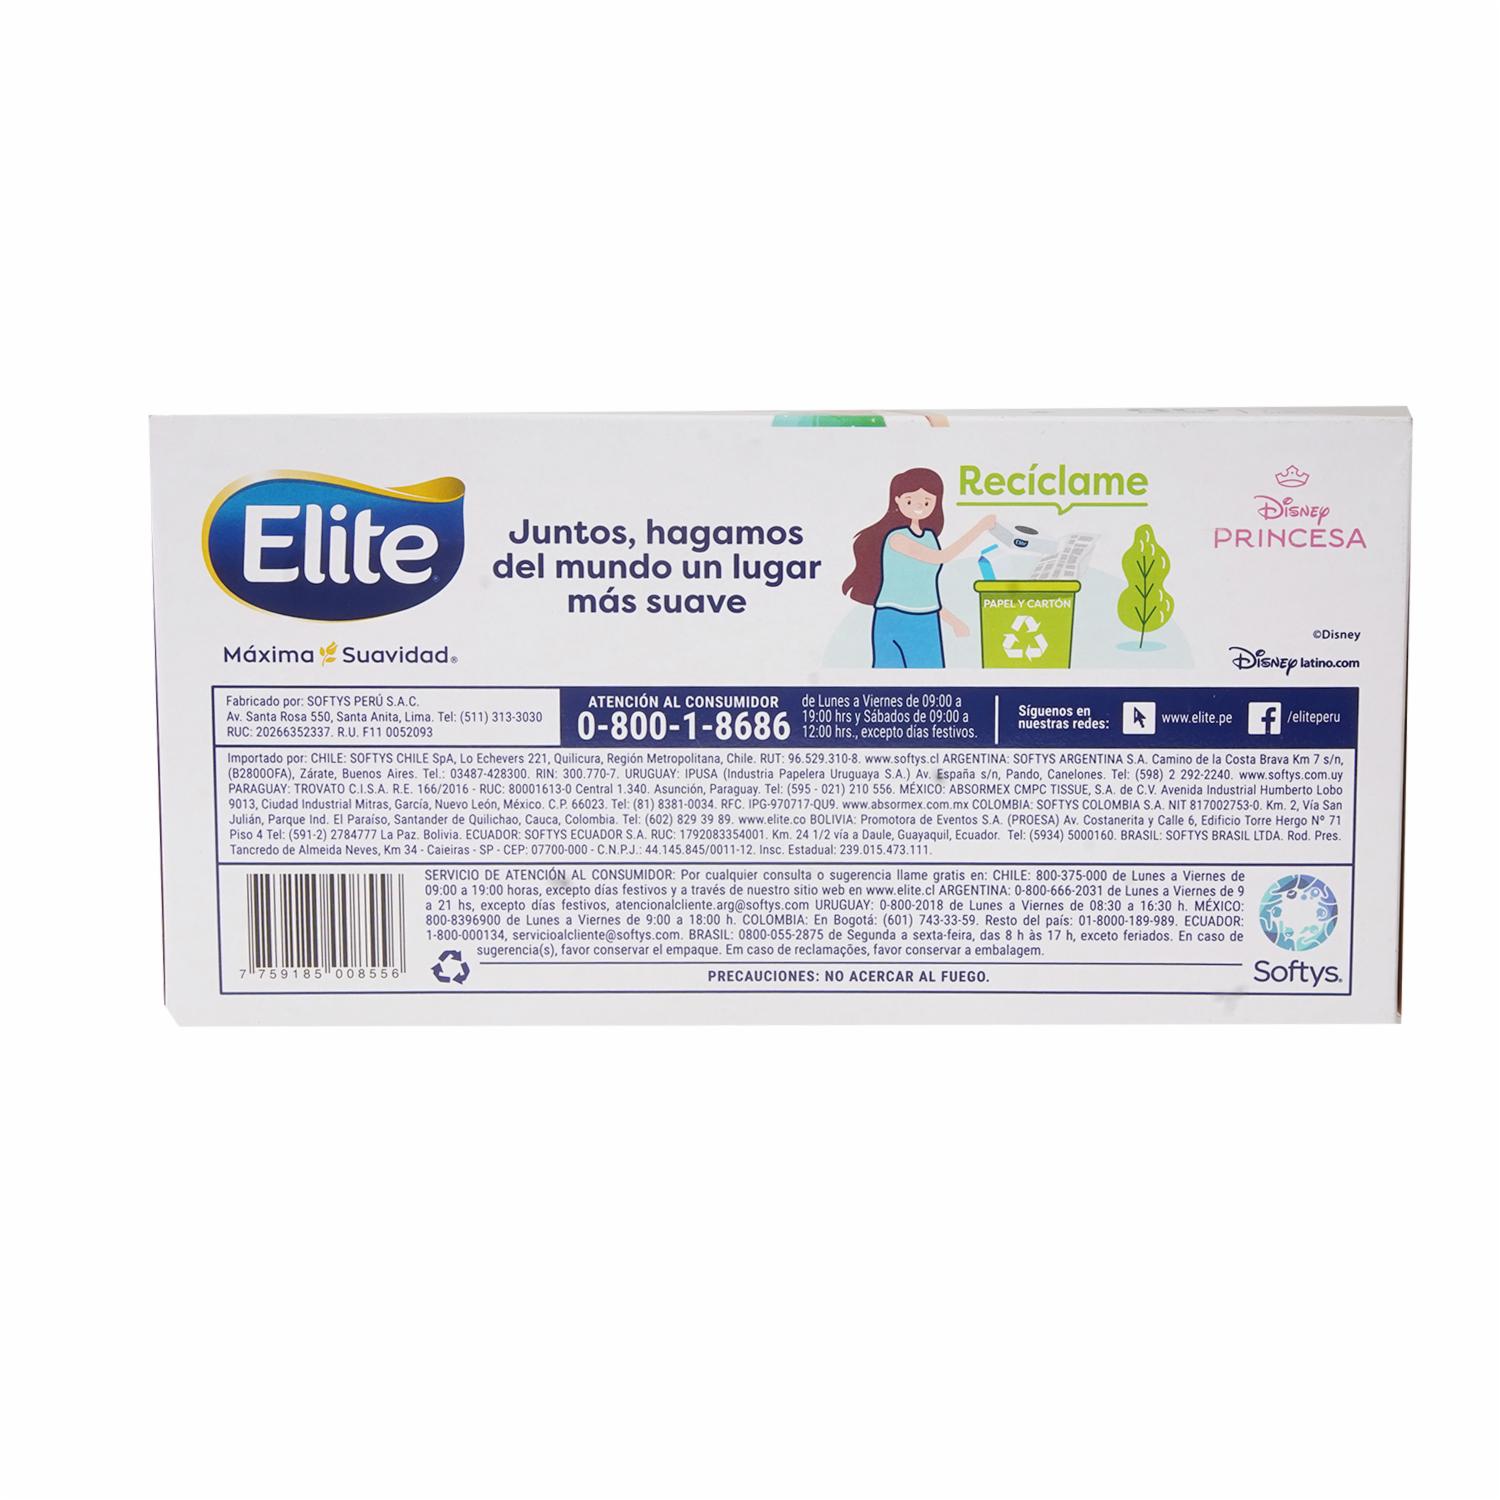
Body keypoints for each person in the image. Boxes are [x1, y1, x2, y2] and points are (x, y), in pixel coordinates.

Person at [841, 467, 996, 667]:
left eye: (927, 501)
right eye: (910, 500)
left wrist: (953, 621)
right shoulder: (896, 538)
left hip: (927, 620)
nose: (919, 506)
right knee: (889, 682)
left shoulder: (930, 537)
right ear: (897, 500)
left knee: (930, 680)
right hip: (893, 618)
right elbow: (941, 557)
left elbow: (924, 590)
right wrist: (979, 528)